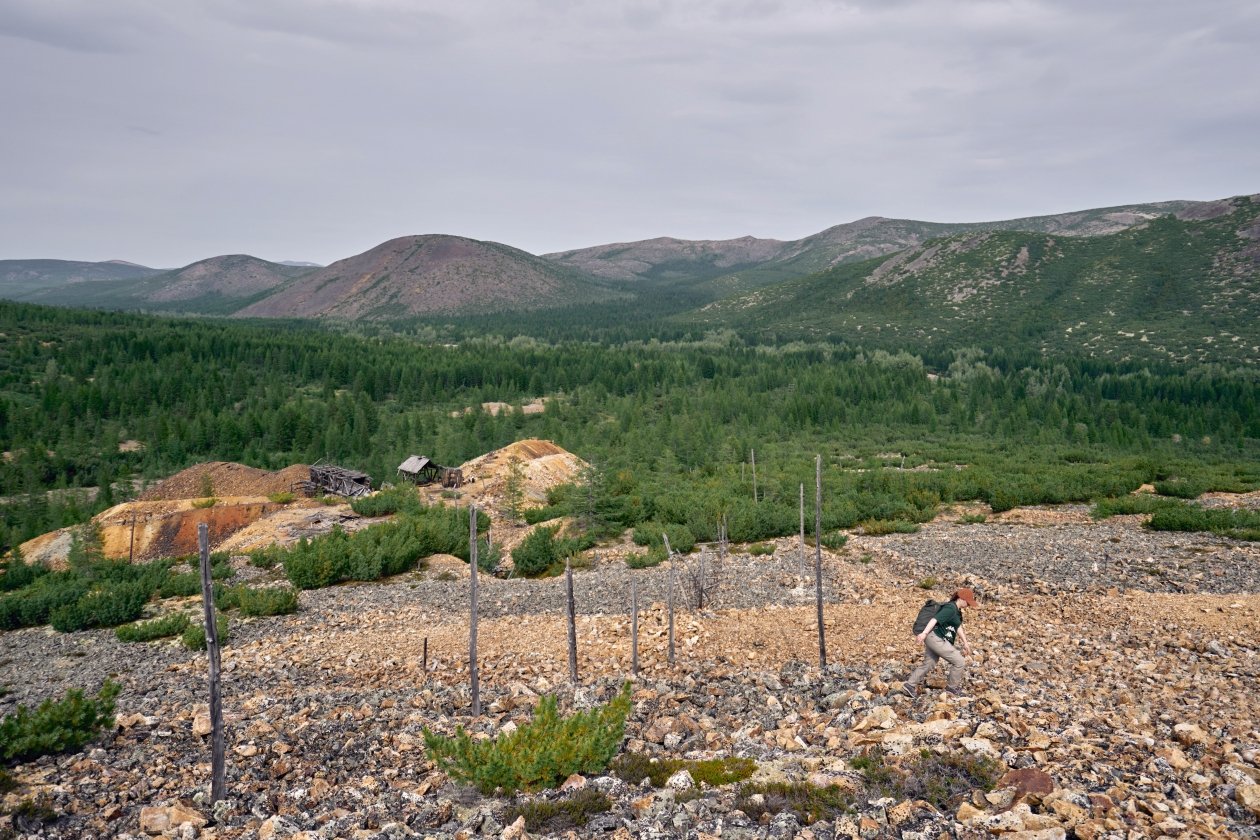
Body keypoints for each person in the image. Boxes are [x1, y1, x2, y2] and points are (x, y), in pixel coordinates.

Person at [902, 587, 978, 698]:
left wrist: (965, 643)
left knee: (930, 663)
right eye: (968, 602)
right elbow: (935, 619)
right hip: (935, 638)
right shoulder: (950, 608)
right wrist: (924, 634)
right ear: (961, 598)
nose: (969, 605)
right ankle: (952, 688)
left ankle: (909, 685)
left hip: (934, 637)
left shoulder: (957, 611)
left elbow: (958, 626)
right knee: (959, 661)